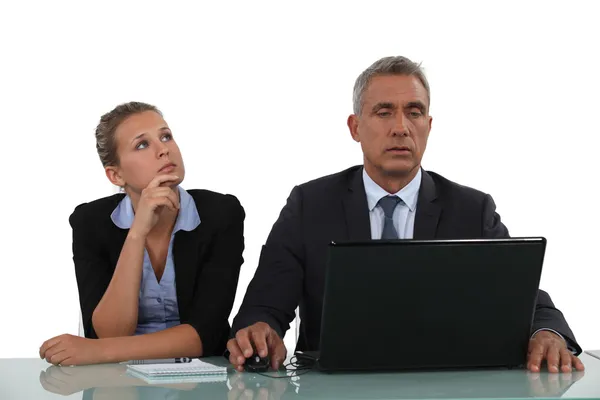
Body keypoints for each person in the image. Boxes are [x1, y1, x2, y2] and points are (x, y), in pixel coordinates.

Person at [227, 56, 584, 374]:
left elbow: (526, 301)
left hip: (446, 386)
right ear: (355, 127)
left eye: (414, 112)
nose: (401, 127)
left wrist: (547, 333)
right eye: (384, 112)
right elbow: (263, 306)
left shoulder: (471, 210)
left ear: (428, 125)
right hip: (337, 386)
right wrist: (259, 332)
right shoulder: (310, 205)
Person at [39, 102, 245, 366]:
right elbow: (109, 333)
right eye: (142, 145)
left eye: (166, 136)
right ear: (115, 175)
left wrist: (98, 351)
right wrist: (137, 233)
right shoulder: (90, 222)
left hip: (198, 377)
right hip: (119, 379)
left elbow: (205, 334)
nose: (164, 150)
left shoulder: (221, 214)